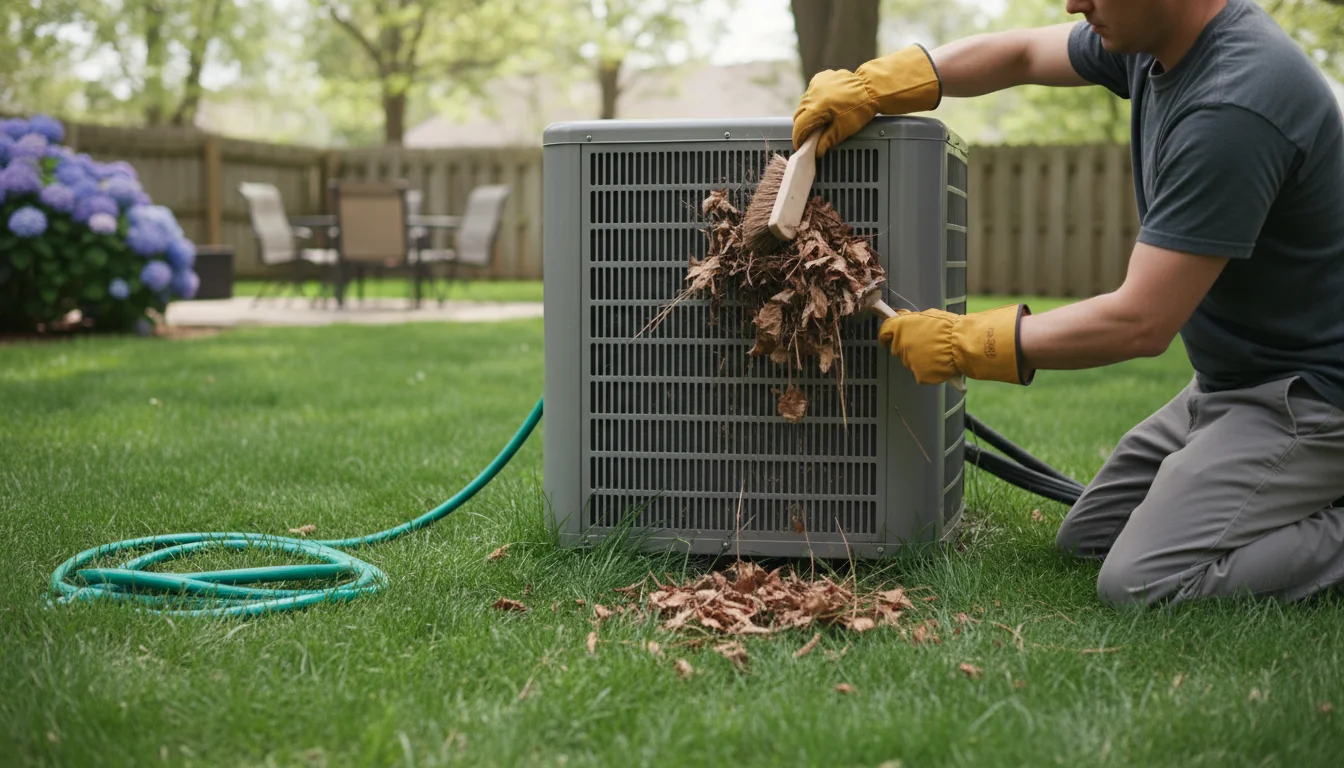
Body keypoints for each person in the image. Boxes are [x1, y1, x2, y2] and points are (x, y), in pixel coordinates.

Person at [791, 0, 1344, 608]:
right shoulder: (1150, 43)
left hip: (1311, 396)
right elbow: (1024, 52)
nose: (1075, 4)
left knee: (1141, 581)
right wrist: (880, 84)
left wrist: (967, 344)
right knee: (1090, 538)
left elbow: (1140, 321)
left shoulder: (1234, 105)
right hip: (1228, 385)